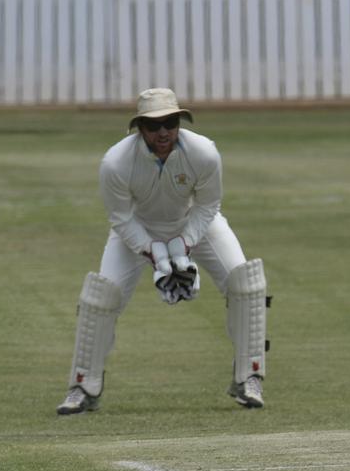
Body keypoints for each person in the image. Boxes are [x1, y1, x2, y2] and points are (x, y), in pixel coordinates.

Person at [58, 88, 269, 415]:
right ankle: (83, 386)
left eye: (170, 123)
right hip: (137, 228)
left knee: (246, 283)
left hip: (194, 223)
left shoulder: (204, 153)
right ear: (140, 127)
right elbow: (121, 218)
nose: (163, 132)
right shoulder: (116, 162)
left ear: (179, 122)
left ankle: (249, 378)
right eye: (154, 126)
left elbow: (209, 204)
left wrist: (184, 243)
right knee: (101, 297)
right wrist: (154, 252)